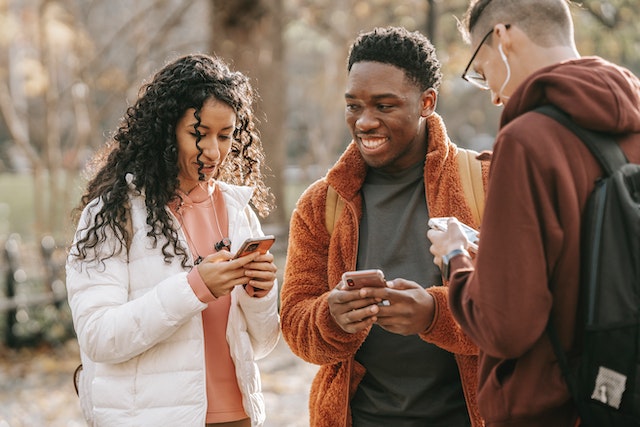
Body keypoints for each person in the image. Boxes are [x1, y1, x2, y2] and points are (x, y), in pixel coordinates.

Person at [427, 1, 640, 426]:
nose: (492, 95)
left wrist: (455, 258)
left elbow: (505, 326)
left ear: (503, 37)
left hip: (553, 407)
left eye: (483, 72)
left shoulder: (527, 140)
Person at [280, 26, 490, 427]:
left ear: (426, 102)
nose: (365, 122)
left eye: (384, 106)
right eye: (354, 106)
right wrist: (332, 316)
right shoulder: (320, 205)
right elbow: (294, 323)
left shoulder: (486, 184)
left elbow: (524, 312)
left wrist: (434, 314)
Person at [65, 54, 280, 427]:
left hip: (238, 416)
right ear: (165, 132)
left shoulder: (238, 210)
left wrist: (262, 295)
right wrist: (195, 289)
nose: (213, 151)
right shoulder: (113, 214)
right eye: (199, 134)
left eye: (225, 136)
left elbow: (260, 345)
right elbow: (99, 338)